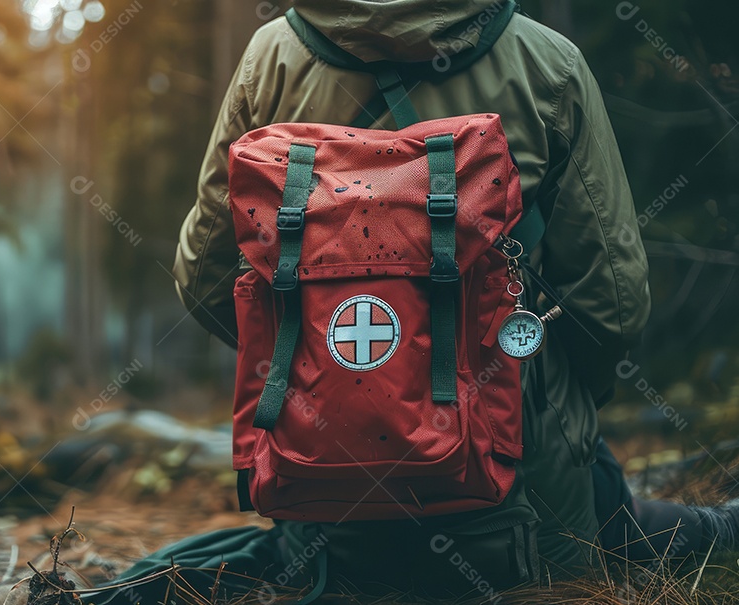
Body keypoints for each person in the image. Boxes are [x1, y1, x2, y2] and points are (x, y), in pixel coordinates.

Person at [172, 0, 646, 597]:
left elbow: (204, 276)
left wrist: (312, 362)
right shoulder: (546, 61)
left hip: (320, 485)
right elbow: (614, 299)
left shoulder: (269, 59)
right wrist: (565, 407)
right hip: (520, 481)